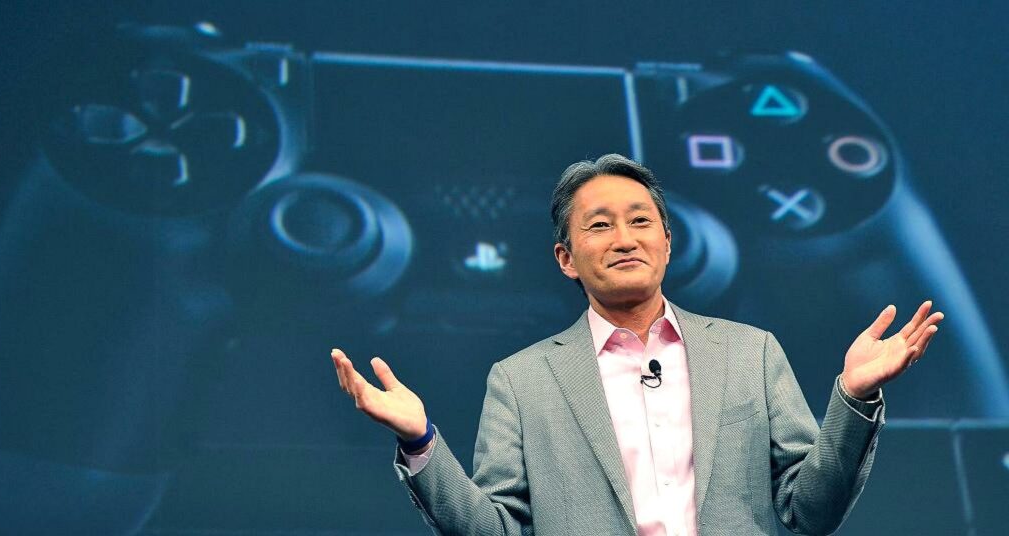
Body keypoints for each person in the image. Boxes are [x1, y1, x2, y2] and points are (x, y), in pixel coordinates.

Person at [330, 154, 943, 535]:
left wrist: (854, 397)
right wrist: (420, 441)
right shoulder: (521, 380)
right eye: (599, 225)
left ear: (668, 243)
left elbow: (810, 512)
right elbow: (495, 530)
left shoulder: (750, 352)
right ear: (566, 258)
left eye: (641, 220)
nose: (624, 238)